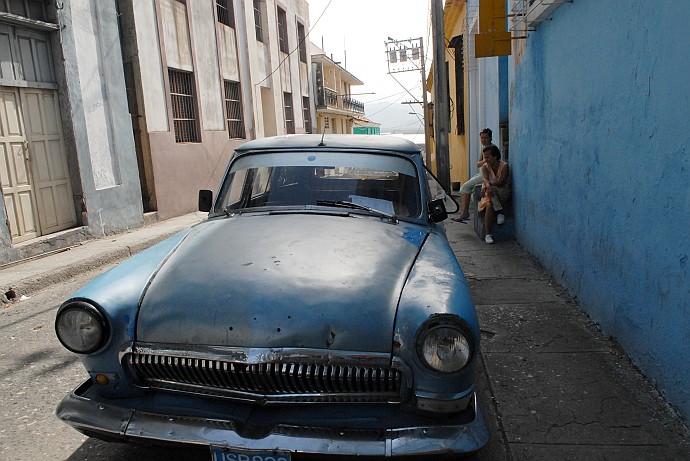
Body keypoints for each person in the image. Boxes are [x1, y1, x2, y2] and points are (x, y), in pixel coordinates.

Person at [454, 128, 493, 221]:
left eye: (486, 138)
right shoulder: (483, 149)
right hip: (482, 173)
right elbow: (479, 163)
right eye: (482, 138)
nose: (483, 140)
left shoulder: (492, 149)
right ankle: (464, 212)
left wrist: (484, 161)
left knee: (465, 187)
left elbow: (484, 163)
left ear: (490, 138)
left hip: (487, 175)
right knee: (467, 186)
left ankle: (464, 213)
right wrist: (485, 161)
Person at [478, 144, 510, 244]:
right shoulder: (485, 167)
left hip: (502, 193)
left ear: (495, 156)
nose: (486, 160)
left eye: (487, 157)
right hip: (490, 193)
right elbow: (485, 179)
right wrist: (488, 186)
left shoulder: (504, 166)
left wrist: (488, 186)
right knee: (489, 205)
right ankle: (488, 233)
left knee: (492, 191)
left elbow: (501, 182)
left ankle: (499, 212)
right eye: (484, 157)